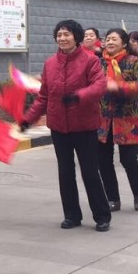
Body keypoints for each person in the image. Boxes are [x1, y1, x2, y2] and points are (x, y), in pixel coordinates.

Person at [22, 19, 111, 232]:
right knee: (65, 171)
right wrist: (28, 119)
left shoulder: (90, 61)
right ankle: (71, 215)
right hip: (59, 126)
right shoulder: (50, 63)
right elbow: (43, 97)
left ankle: (102, 215)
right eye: (59, 35)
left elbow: (100, 86)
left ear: (76, 37)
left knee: (90, 171)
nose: (62, 38)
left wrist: (78, 96)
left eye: (67, 34)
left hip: (85, 125)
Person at [97, 29, 138, 212]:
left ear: (124, 43)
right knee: (103, 161)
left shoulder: (134, 61)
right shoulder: (99, 62)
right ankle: (113, 198)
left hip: (126, 117)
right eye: (107, 39)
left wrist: (119, 87)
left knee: (128, 159)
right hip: (103, 118)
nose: (109, 42)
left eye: (114, 39)